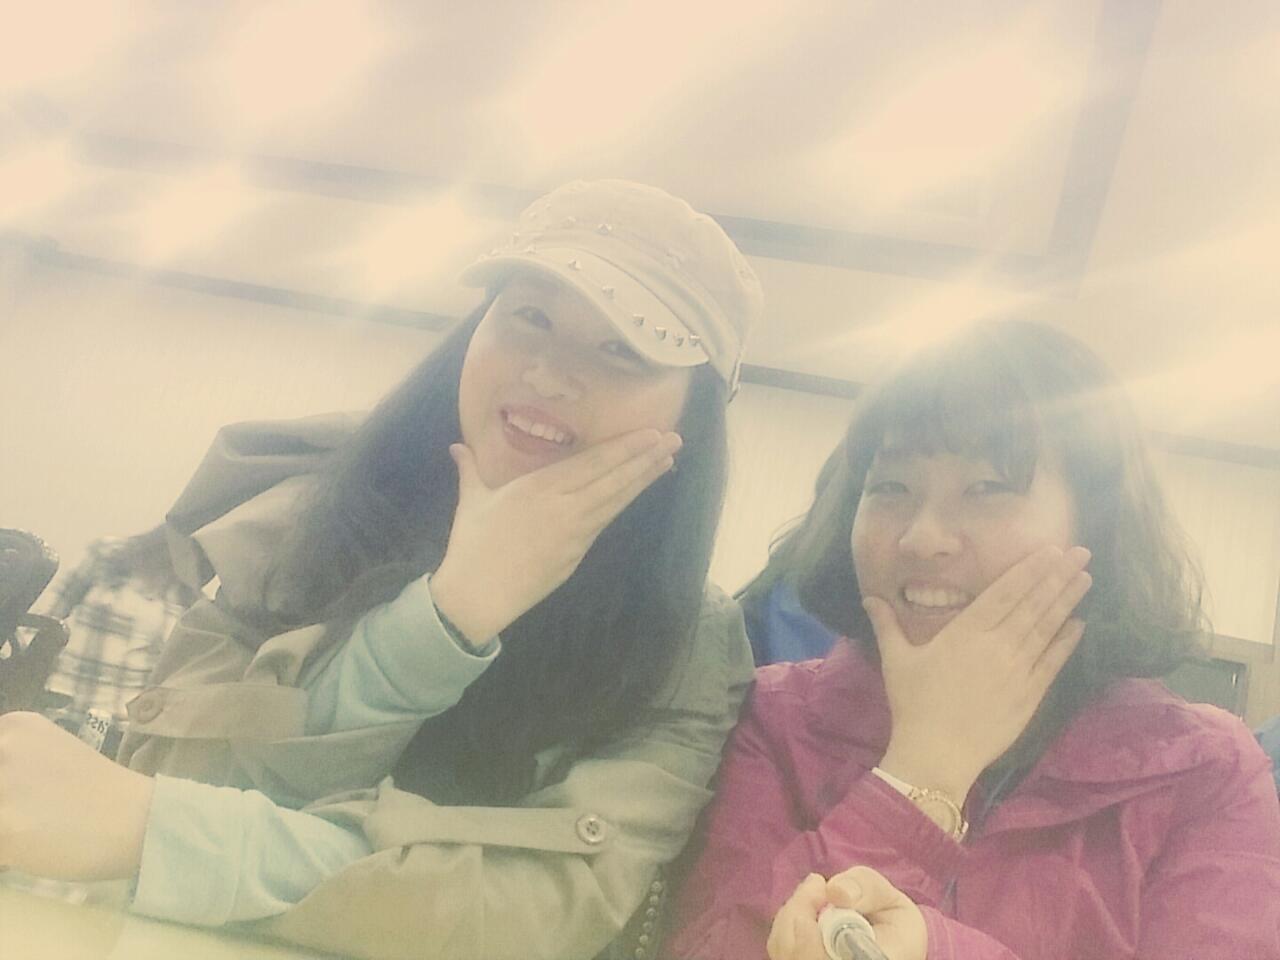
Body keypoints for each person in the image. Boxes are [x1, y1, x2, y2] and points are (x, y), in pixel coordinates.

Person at [0, 179, 763, 960]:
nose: (549, 374)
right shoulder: (308, 508)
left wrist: (161, 833)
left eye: (624, 351)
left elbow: (542, 910)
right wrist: (447, 614)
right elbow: (197, 776)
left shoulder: (689, 640)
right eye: (531, 316)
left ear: (692, 412)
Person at [665, 320, 1280, 960]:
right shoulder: (773, 716)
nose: (922, 538)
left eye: (987, 488)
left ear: (1097, 523)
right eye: (890, 488)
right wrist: (919, 773)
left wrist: (934, 949)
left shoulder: (1203, 770)